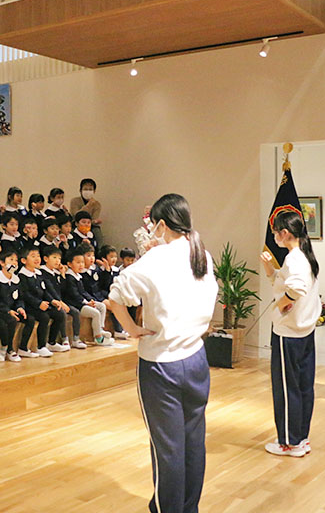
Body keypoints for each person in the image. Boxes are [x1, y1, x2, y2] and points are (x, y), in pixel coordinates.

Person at [106, 193, 217, 513]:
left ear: (161, 225)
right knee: (193, 441)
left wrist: (132, 329)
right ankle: (188, 507)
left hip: (161, 366)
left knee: (167, 448)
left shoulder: (153, 260)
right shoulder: (202, 254)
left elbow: (116, 298)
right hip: (196, 358)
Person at [260, 210, 320, 458]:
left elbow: (295, 288)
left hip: (289, 333)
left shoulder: (295, 258)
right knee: (303, 386)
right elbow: (285, 282)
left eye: (275, 231)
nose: (274, 236)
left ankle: (289, 441)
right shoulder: (303, 256)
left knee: (286, 387)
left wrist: (283, 304)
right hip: (304, 330)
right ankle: (301, 437)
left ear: (284, 233)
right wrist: (270, 268)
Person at [62, 245, 114, 348]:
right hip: (77, 305)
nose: (81, 265)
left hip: (83, 302)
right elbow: (75, 295)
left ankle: (100, 329)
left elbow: (83, 292)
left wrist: (90, 300)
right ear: (69, 264)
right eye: (78, 262)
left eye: (82, 262)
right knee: (95, 313)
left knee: (101, 306)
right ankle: (98, 338)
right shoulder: (70, 277)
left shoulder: (78, 276)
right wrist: (86, 302)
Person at [0, 248, 28, 362]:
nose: (14, 263)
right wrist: (7, 310)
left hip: (12, 309)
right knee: (10, 321)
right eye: (11, 260)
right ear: (2, 263)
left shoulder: (16, 279)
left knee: (30, 318)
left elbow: (19, 298)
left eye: (16, 260)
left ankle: (24, 347)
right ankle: (8, 349)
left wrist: (20, 308)